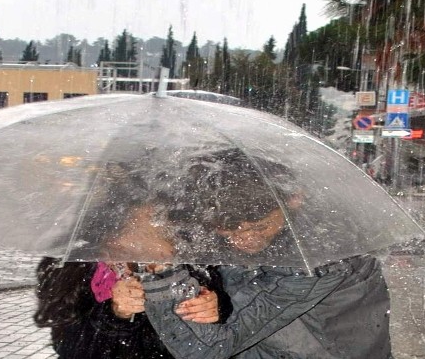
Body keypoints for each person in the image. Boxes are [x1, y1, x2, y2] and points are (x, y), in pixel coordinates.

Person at [142, 148, 393, 359]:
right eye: (228, 230)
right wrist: (209, 295)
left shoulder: (319, 258)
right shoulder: (215, 231)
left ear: (294, 200)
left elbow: (204, 350)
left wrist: (164, 275)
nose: (245, 240)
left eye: (260, 226)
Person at [34, 163, 232, 359]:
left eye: (163, 226)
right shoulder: (72, 268)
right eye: (144, 228)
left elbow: (219, 332)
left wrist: (217, 309)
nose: (163, 244)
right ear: (111, 234)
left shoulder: (192, 264)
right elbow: (69, 346)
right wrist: (115, 315)